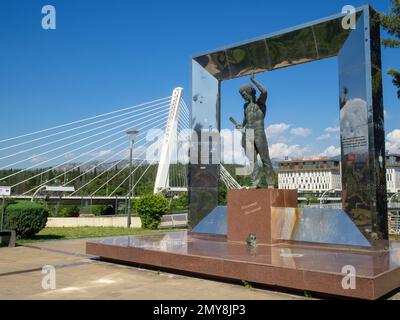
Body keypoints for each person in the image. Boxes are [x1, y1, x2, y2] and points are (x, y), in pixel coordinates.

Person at [235, 71, 276, 189]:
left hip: (259, 133)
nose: (243, 97)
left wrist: (253, 80)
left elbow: (264, 91)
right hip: (248, 134)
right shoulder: (245, 106)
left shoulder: (261, 102)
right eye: (241, 96)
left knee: (265, 158)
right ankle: (255, 182)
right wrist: (241, 126)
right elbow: (245, 119)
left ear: (250, 91)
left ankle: (270, 183)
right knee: (252, 161)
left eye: (244, 94)